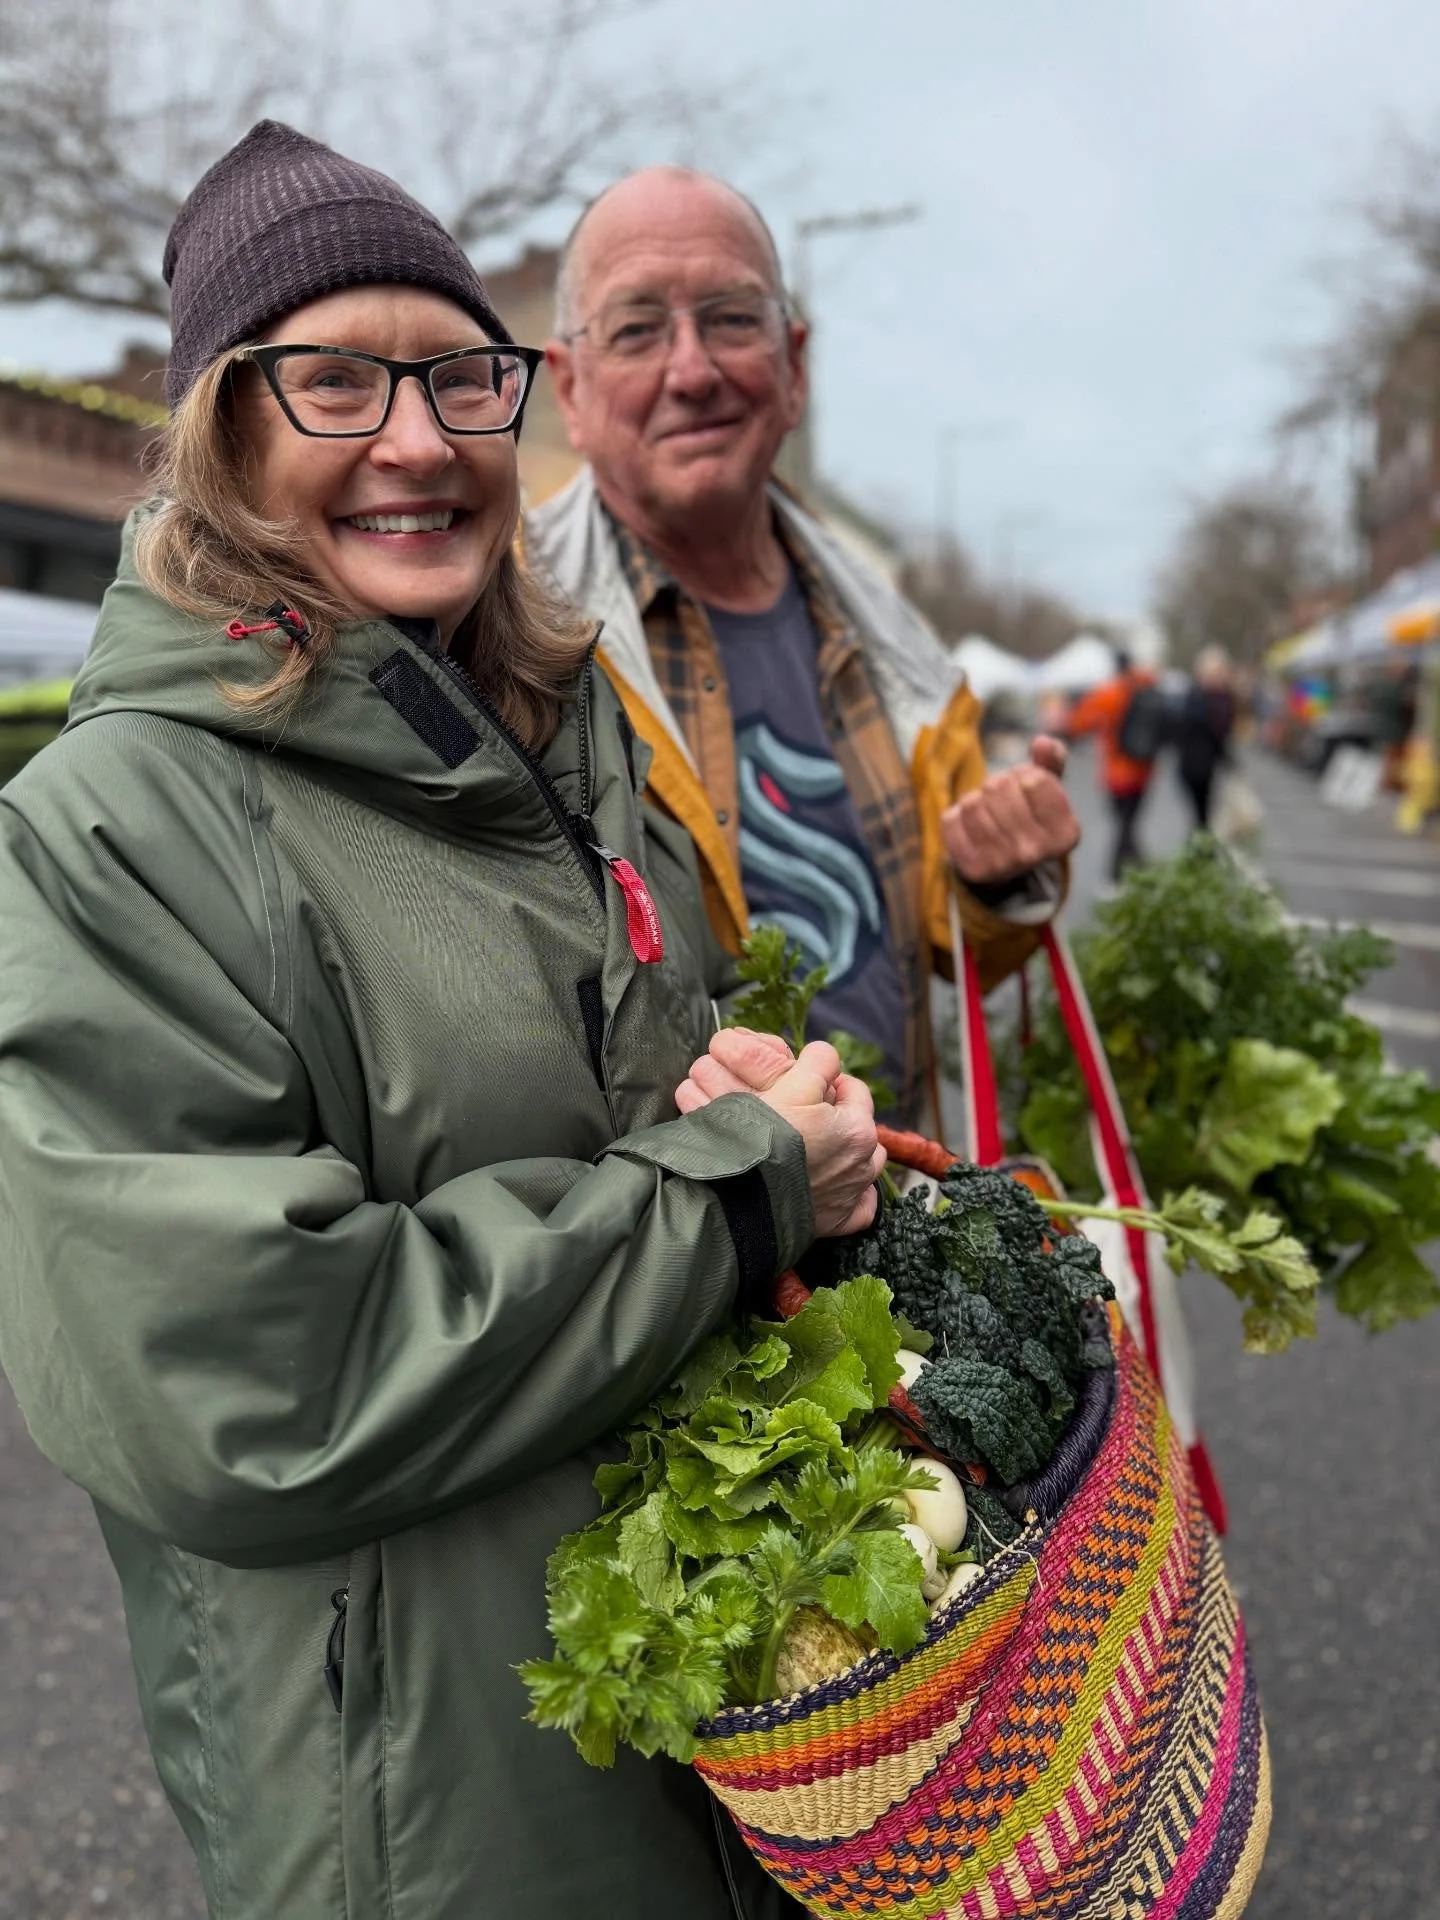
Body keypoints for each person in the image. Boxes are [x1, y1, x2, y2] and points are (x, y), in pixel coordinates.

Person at [0, 123, 884, 1920]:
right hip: (431, 1807)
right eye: (331, 381)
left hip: (694, 1720)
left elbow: (646, 1089)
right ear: (219, 433)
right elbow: (254, 1389)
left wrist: (739, 1092)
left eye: (458, 376)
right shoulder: (113, 828)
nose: (414, 439)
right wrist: (730, 1189)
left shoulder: (564, 734)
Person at [528, 167, 1080, 1129]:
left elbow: (941, 950)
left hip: (907, 1203)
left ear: (795, 365)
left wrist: (994, 880)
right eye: (638, 329)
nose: (692, 370)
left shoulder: (889, 640)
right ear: (570, 389)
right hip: (691, 1246)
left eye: (732, 319)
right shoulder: (509, 641)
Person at [1064, 648, 1160, 883]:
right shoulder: (1146, 687)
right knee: (1130, 823)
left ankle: (1117, 874)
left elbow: (1077, 723)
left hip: (1117, 773)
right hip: (1144, 770)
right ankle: (1137, 866)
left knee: (1123, 824)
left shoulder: (1109, 693)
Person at [1175, 644, 1236, 831]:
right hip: (1197, 766)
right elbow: (1217, 731)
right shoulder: (1209, 698)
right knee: (1202, 816)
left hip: (1201, 765)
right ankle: (1201, 851)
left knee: (1202, 816)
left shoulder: (1205, 696)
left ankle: (1201, 850)